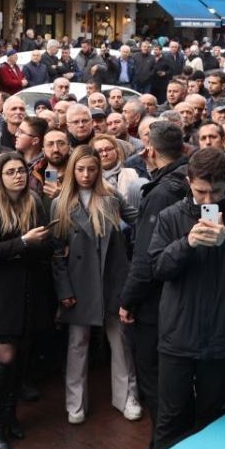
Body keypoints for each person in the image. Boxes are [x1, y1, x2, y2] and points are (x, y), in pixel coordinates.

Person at [148, 147, 225, 448]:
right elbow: (158, 269)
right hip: (178, 335)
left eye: (215, 192)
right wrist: (186, 243)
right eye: (200, 191)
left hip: (221, 335)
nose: (208, 201)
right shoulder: (170, 216)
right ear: (189, 182)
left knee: (213, 420)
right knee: (170, 419)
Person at [51, 145, 141, 425]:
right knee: (78, 343)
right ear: (72, 170)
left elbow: (140, 220)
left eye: (92, 169)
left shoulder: (111, 198)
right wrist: (64, 289)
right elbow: (56, 253)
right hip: (79, 283)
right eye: (80, 169)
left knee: (121, 340)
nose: (86, 174)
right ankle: (75, 403)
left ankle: (128, 396)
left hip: (113, 279)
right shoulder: (60, 203)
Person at [119, 121, 191, 449]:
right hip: (180, 297)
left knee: (155, 381)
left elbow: (146, 257)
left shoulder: (161, 192)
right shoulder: (189, 180)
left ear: (149, 151)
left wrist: (128, 300)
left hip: (155, 304)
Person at [0, 152, 54, 449]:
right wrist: (23, 243)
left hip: (29, 289)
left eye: (21, 170)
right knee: (4, 356)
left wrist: (34, 245)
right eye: (10, 172)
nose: (18, 176)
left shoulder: (34, 201)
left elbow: (47, 244)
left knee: (20, 356)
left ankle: (10, 416)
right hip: (1, 293)